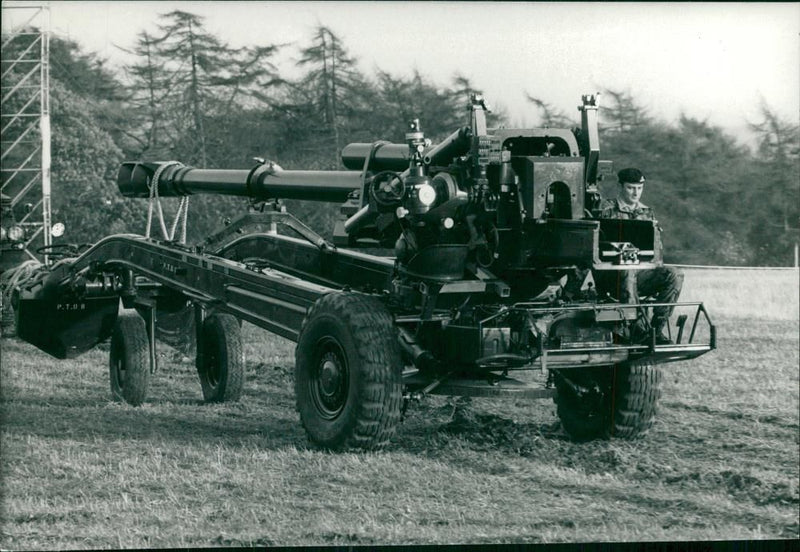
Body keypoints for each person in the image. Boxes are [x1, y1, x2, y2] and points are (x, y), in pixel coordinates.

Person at [598, 168, 684, 344]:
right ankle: (636, 330)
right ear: (620, 186)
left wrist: (653, 264)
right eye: (631, 188)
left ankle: (655, 330)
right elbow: (596, 247)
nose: (636, 192)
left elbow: (656, 249)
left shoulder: (647, 213)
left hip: (640, 273)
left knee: (675, 274)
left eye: (639, 188)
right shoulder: (606, 210)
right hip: (611, 275)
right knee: (627, 270)